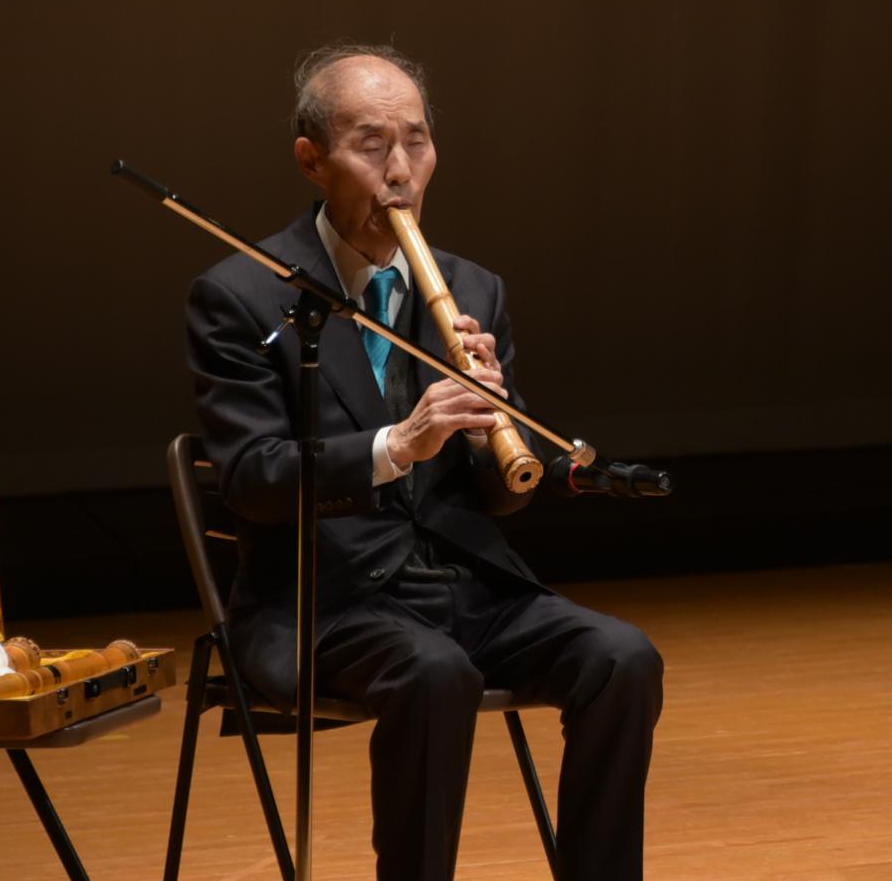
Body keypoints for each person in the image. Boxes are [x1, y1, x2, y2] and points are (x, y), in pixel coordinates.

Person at [186, 43, 662, 881]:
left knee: (623, 658)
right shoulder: (244, 294)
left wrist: (487, 437)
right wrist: (397, 443)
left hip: (466, 586)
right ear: (312, 160)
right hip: (321, 599)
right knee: (435, 674)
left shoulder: (473, 290)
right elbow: (254, 477)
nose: (400, 169)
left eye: (417, 141)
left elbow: (501, 499)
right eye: (371, 145)